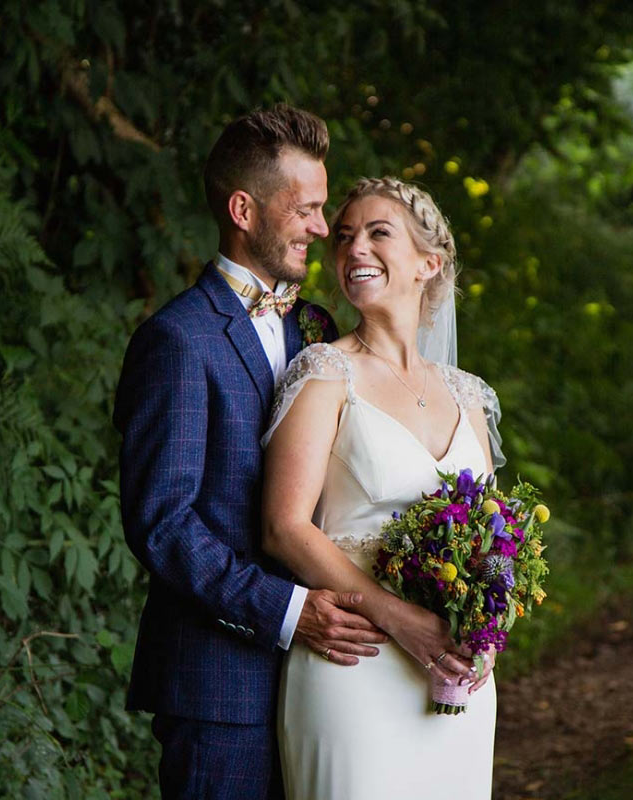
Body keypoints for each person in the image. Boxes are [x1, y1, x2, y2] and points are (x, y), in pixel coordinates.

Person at [112, 106, 388, 800]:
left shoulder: (318, 330)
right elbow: (163, 525)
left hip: (329, 687)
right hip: (219, 688)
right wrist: (289, 611)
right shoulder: (177, 340)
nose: (324, 230)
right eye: (307, 209)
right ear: (244, 208)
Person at [261, 177, 505, 798]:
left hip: (454, 675)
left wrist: (486, 628)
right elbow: (284, 528)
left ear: (429, 262)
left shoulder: (468, 394)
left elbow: (491, 538)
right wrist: (401, 621)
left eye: (377, 233)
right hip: (356, 661)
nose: (353, 250)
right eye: (343, 238)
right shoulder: (324, 373)